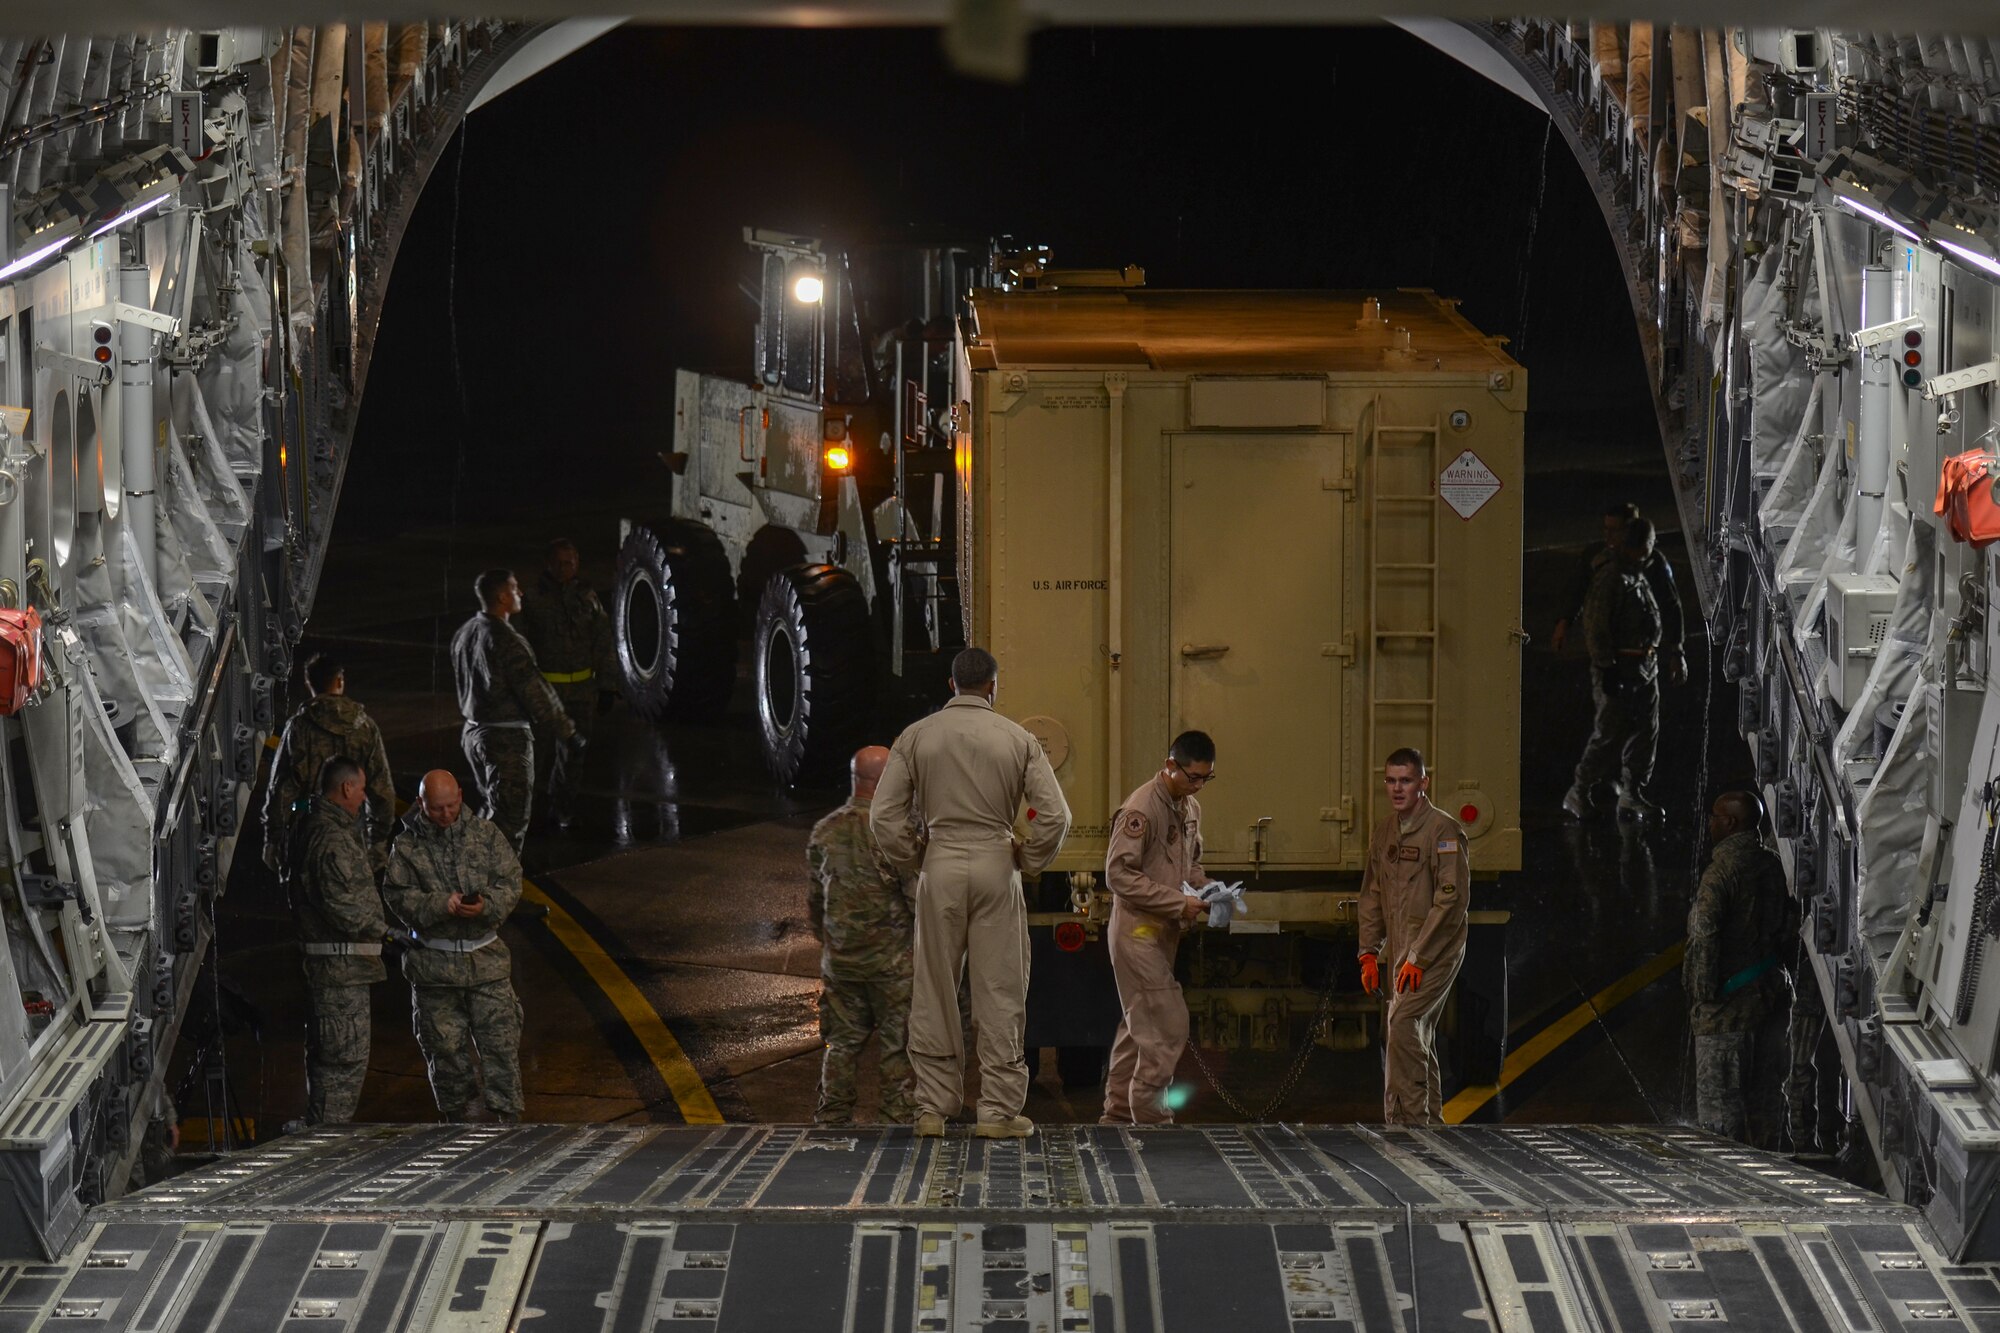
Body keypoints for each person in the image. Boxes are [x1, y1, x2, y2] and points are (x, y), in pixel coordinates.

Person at [872, 647, 1070, 1139]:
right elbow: (1057, 816)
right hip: (995, 864)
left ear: (950, 684)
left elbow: (883, 815)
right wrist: (1028, 858)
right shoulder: (1018, 739)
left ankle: (934, 1109)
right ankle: (997, 1112)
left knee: (935, 987)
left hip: (938, 863)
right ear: (994, 687)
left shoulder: (916, 737)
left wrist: (914, 856)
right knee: (1000, 989)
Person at [381, 770, 527, 1123]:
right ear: (421, 804)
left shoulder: (486, 835)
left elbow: (510, 881)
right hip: (435, 966)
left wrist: (486, 905)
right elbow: (396, 895)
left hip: (486, 962)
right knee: (443, 1050)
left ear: (461, 796)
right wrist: (438, 904)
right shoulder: (407, 847)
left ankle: (510, 1123)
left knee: (501, 1046)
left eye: (451, 806)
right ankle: (456, 1124)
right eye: (437, 809)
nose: (446, 814)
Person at [1101, 731, 1214, 1125]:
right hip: (1137, 931)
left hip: (1162, 933)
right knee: (1167, 1022)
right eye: (1192, 776)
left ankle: (1116, 1117)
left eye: (1205, 779)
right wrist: (1178, 902)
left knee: (1140, 1025)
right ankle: (1150, 1117)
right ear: (1170, 766)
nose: (1198, 785)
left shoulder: (1190, 807)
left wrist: (1208, 889)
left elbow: (1189, 864)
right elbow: (1117, 874)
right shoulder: (1142, 808)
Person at [1357, 747, 1469, 1125]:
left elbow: (1451, 902)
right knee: (1412, 1033)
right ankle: (1427, 1124)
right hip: (1402, 952)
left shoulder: (1443, 830)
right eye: (1390, 780)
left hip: (1437, 950)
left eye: (1405, 780)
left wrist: (1419, 958)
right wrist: (1369, 953)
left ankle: (1409, 1125)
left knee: (1402, 1024)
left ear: (1424, 782)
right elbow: (1373, 894)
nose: (1397, 788)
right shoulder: (1386, 831)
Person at [808, 745, 916, 1125]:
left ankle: (832, 1116)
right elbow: (915, 897)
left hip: (841, 963)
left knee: (840, 1044)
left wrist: (834, 942)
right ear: (886, 781)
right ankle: (895, 1117)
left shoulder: (825, 830)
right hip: (893, 967)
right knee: (897, 1047)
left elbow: (815, 902)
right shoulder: (894, 832)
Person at [1685, 789, 1794, 1150]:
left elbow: (1704, 937)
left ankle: (1725, 1186)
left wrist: (1703, 998)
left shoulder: (1721, 873)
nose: (1711, 823)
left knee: (1720, 1115)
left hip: (1726, 1012)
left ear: (1729, 823)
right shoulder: (1773, 865)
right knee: (1766, 1101)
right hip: (1769, 996)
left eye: (1715, 816)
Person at [451, 568, 582, 855]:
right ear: (501, 597)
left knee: (493, 812)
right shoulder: (506, 641)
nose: (520, 593)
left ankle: (478, 884)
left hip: (473, 733)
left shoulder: (465, 633)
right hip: (505, 741)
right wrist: (567, 731)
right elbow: (534, 691)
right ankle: (497, 894)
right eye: (514, 588)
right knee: (510, 825)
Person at [295, 755, 389, 1125]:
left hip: (337, 973)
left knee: (333, 1066)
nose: (364, 798)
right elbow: (342, 908)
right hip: (340, 978)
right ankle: (325, 1150)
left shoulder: (319, 826)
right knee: (342, 1070)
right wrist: (386, 930)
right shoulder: (331, 838)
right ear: (347, 787)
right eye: (362, 789)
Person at [1565, 516, 1668, 822]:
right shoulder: (1611, 577)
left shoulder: (1636, 574)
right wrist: (1607, 667)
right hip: (1620, 667)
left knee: (1645, 730)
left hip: (1644, 667)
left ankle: (1631, 793)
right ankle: (1579, 790)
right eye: (1648, 544)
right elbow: (1595, 627)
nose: (1651, 550)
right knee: (1609, 732)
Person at [262, 653, 396, 875]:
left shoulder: (299, 727)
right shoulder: (365, 728)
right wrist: (377, 843)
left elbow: (281, 789)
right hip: (354, 838)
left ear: (309, 683)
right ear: (340, 680)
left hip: (307, 837)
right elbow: (383, 792)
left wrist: (273, 838)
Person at [516, 539, 617, 826]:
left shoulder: (588, 598)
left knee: (574, 756)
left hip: (582, 694)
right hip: (544, 696)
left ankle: (562, 811)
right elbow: (519, 647)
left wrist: (608, 685)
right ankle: (526, 815)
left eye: (570, 563)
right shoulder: (532, 600)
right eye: (559, 563)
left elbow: (603, 641)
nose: (565, 569)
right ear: (548, 564)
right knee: (534, 757)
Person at [1551, 501, 1686, 671]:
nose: (1608, 536)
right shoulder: (1596, 558)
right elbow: (1577, 589)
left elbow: (1670, 603)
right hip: (1608, 655)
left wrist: (1677, 651)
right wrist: (1564, 623)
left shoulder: (1653, 562)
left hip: (1643, 655)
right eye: (1606, 529)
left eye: (1615, 530)